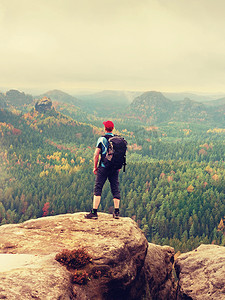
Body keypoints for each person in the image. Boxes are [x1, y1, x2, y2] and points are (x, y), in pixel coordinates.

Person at [85, 120, 121, 219]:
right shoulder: (117, 139)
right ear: (112, 129)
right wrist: (118, 166)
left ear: (105, 129)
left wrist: (95, 167)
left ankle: (94, 212)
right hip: (114, 168)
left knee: (98, 188)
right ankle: (117, 212)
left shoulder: (102, 139)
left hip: (104, 167)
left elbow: (96, 154)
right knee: (115, 188)